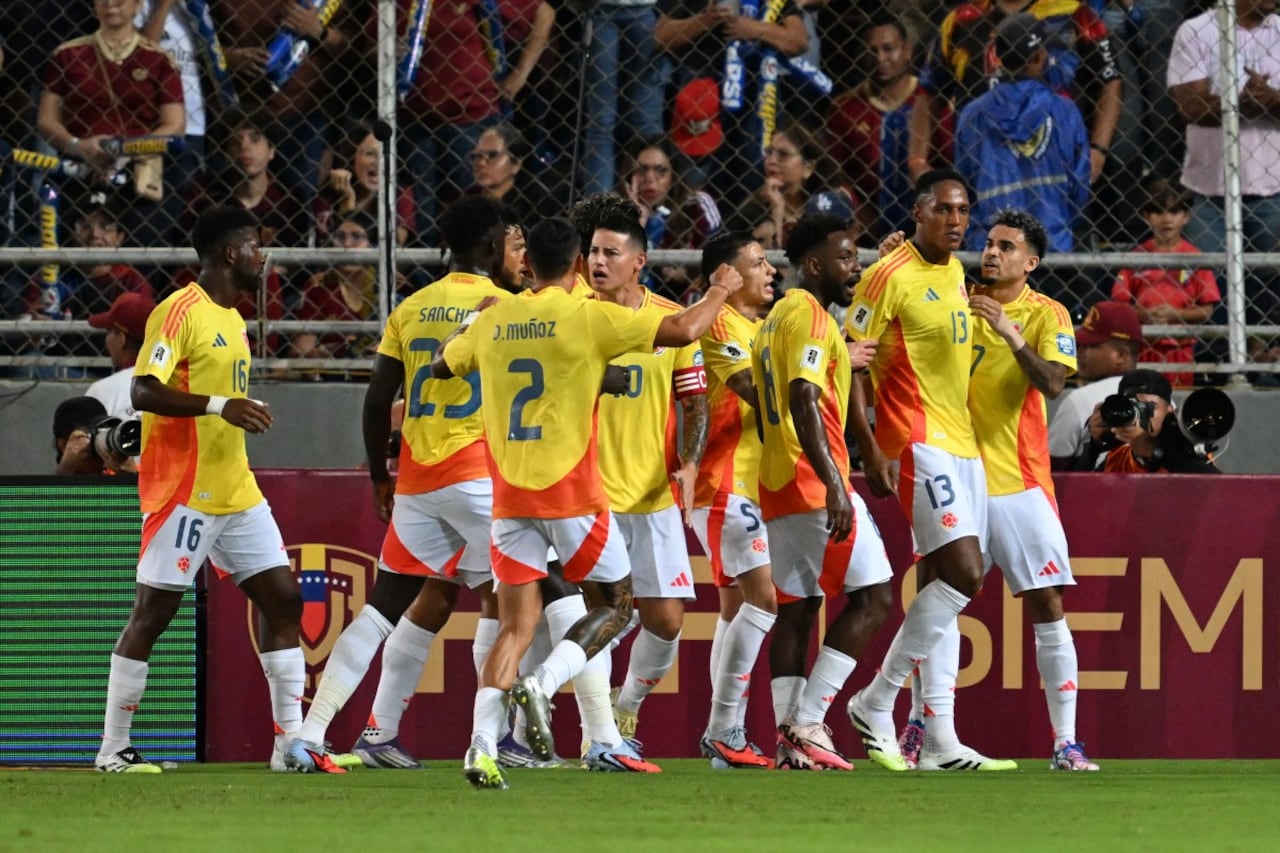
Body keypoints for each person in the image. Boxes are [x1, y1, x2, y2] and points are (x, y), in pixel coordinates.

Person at [432, 215, 743, 789]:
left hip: (509, 499)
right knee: (618, 608)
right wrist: (721, 288)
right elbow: (682, 330)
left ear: (527, 265)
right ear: (577, 264)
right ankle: (545, 687)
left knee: (513, 628)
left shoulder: (495, 317)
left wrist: (473, 328)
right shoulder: (590, 315)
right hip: (573, 495)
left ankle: (480, 747)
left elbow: (440, 365)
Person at [282, 197, 514, 773]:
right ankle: (534, 739)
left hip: (418, 479)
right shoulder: (506, 308)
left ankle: (311, 736)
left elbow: (377, 398)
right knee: (539, 598)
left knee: (383, 608)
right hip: (479, 473)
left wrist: (380, 475)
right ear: (490, 248)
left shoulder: (411, 308)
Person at [95, 206, 302, 774]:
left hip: (235, 487)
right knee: (153, 614)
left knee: (284, 600)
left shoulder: (233, 319)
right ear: (231, 252)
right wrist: (221, 406)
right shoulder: (179, 310)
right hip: (184, 490)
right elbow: (143, 390)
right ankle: (113, 748)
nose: (264, 257)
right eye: (257, 246)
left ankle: (291, 745)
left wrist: (232, 412)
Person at [899, 209, 1098, 771]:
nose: (992, 253)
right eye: (989, 244)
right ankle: (927, 726)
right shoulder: (956, 298)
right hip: (954, 470)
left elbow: (1055, 382)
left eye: (1006, 247)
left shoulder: (1045, 313)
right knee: (940, 595)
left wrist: (1009, 333)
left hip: (1016, 479)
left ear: (1030, 261)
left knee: (1047, 601)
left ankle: (1066, 742)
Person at [843, 170, 994, 772]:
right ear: (918, 212)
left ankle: (939, 740)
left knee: (941, 588)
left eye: (963, 210)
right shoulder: (887, 276)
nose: (956, 220)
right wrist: (870, 448)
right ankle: (874, 699)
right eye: (944, 210)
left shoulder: (955, 273)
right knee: (966, 572)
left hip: (963, 444)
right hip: (915, 440)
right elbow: (852, 362)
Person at [753, 214, 892, 771]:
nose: (854, 266)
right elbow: (804, 399)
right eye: (845, 257)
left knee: (799, 607)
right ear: (813, 265)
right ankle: (809, 720)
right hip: (811, 481)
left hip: (775, 483)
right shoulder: (809, 315)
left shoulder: (774, 319)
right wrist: (837, 482)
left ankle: (791, 743)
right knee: (875, 596)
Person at [590, 210, 710, 772]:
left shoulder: (672, 321)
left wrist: (689, 462)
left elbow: (694, 400)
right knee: (587, 618)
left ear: (639, 262)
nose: (598, 262)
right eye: (593, 251)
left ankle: (626, 708)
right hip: (589, 495)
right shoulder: (574, 317)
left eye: (611, 254)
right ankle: (572, 733)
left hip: (654, 496)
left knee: (664, 621)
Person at [689, 231, 777, 769]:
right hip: (723, 482)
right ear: (729, 272)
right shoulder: (719, 320)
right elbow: (755, 391)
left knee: (736, 608)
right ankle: (724, 729)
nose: (770, 270)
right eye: (758, 262)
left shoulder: (764, 327)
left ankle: (726, 738)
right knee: (764, 600)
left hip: (753, 481)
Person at [37, 0, 186, 245]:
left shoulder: (159, 59)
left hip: (139, 170)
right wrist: (80, 147)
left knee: (142, 253)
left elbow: (175, 124)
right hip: (78, 169)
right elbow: (46, 120)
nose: (111, 4)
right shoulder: (67, 54)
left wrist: (126, 149)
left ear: (138, 5)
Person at [1168, 0, 1280, 324]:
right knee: (1211, 283)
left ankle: (1268, 364)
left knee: (1272, 282)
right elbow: (1190, 107)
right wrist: (1241, 102)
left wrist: (1270, 99)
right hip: (1210, 188)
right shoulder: (1196, 31)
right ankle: (1220, 365)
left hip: (1274, 185)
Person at [655, 0, 811, 217]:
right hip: (700, 101)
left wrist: (755, 29)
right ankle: (693, 236)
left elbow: (799, 41)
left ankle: (749, 237)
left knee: (752, 185)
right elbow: (660, 35)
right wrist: (705, 20)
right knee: (695, 190)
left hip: (756, 100)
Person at [955, 14, 1091, 256]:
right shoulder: (1064, 111)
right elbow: (1080, 187)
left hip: (991, 252)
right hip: (1051, 248)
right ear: (1039, 57)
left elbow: (963, 186)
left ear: (997, 59)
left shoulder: (972, 115)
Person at [827, 12, 953, 238]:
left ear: (907, 50)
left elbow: (949, 160)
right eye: (872, 50)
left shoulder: (934, 103)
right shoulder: (844, 109)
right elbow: (838, 174)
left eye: (888, 49)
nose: (880, 58)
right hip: (866, 225)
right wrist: (862, 218)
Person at [1111, 182, 1220, 387]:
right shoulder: (1135, 257)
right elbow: (1119, 304)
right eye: (1158, 211)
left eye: (1175, 211)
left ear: (1186, 216)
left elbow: (1206, 309)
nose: (1167, 218)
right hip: (1142, 345)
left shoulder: (1196, 258)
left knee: (1175, 404)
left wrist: (1175, 314)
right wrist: (1145, 314)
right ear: (1146, 216)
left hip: (1180, 348)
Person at [620, 135, 724, 302]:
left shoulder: (696, 205)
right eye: (642, 169)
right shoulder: (614, 213)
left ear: (673, 175)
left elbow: (719, 261)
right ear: (629, 175)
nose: (650, 178)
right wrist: (638, 223)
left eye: (660, 171)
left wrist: (689, 273)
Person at [580, 0, 667, 198]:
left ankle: (650, 209)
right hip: (600, 10)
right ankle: (598, 212)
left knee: (645, 122)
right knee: (601, 122)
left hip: (650, 11)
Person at [1048, 301, 1142, 470]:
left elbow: (1054, 468)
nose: (1081, 352)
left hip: (1089, 494)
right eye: (1081, 345)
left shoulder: (1079, 399)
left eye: (1092, 346)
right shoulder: (1165, 400)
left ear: (1121, 355)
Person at [288, 211, 379, 373]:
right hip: (333, 376)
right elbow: (299, 351)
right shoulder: (319, 288)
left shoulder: (387, 286)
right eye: (340, 237)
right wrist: (334, 351)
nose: (347, 244)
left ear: (372, 245)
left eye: (357, 237)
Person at [1100, 368, 1222, 473]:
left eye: (1149, 407)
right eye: (1133, 408)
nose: (1140, 416)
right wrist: (1093, 448)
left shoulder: (1187, 451)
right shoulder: (1116, 458)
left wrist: (1154, 452)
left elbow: (1216, 485)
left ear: (1169, 410)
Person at [314, 123, 415, 248]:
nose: (378, 161)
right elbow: (337, 250)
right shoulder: (327, 197)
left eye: (385, 154)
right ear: (351, 158)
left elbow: (394, 245)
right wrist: (346, 204)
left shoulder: (400, 194)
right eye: (369, 153)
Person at [465, 123, 557, 234]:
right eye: (477, 156)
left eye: (492, 155)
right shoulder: (464, 202)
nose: (481, 163)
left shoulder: (535, 207)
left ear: (516, 164)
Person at [87, 291, 155, 418]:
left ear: (122, 339)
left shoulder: (103, 391)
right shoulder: (180, 383)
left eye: (109, 332)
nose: (107, 340)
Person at [52, 395, 111, 475]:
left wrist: (129, 473)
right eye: (90, 435)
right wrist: (66, 468)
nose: (97, 442)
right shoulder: (48, 486)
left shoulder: (115, 473)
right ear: (63, 445)